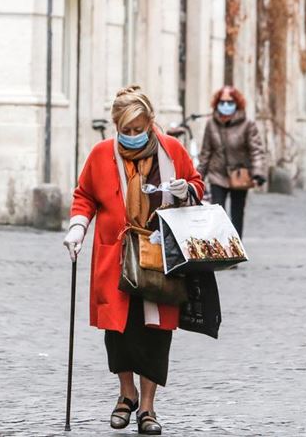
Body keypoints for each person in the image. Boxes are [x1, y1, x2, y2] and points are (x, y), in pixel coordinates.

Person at [63, 85, 204, 435]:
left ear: (150, 123)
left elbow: (197, 184)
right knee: (119, 329)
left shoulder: (172, 150)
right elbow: (85, 196)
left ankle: (147, 408)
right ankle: (126, 393)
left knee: (156, 330)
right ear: (116, 126)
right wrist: (77, 228)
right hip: (116, 255)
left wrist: (187, 190)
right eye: (124, 131)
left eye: (137, 129)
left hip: (161, 253)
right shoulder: (100, 154)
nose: (131, 136)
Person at [197, 85, 267, 237]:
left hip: (239, 175)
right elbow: (205, 153)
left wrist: (258, 173)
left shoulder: (247, 125)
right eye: (222, 102)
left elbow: (256, 151)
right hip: (217, 175)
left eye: (230, 102)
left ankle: (236, 252)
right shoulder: (211, 124)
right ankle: (221, 253)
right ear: (217, 103)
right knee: (218, 214)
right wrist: (197, 178)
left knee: (237, 215)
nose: (226, 105)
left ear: (237, 103)